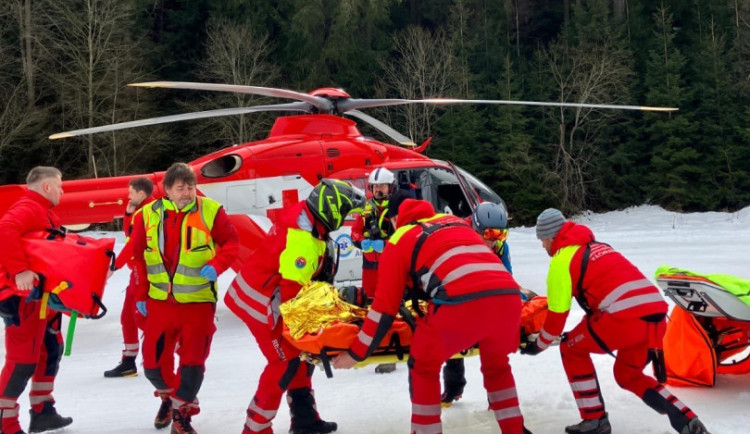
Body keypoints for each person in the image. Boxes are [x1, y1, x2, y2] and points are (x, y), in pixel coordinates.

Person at [333, 191, 529, 434]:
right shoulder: (457, 223)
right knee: (497, 366)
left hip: (461, 304)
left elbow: (383, 309)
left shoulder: (400, 238)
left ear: (395, 219)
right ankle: (514, 429)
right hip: (507, 299)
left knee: (423, 365)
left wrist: (356, 353)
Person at [522, 208, 710, 434]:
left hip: (624, 318)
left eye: (542, 240)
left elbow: (557, 313)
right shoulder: (600, 247)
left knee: (570, 348)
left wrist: (539, 345)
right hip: (657, 315)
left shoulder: (562, 260)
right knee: (627, 374)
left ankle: (595, 420)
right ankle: (688, 422)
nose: (543, 247)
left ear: (552, 237)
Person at [225, 179, 365, 434]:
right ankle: (255, 428)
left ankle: (304, 419)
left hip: (269, 295)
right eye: (344, 213)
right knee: (284, 362)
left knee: (301, 355)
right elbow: (291, 292)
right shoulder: (303, 239)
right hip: (260, 303)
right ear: (331, 208)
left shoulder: (308, 219)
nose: (346, 218)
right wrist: (309, 328)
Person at [130, 163, 239, 434]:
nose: (187, 193)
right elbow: (139, 258)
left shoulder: (211, 210)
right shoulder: (146, 216)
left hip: (198, 302)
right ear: (167, 190)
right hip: (159, 303)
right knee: (153, 365)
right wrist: (141, 293)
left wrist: (218, 264)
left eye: (190, 187)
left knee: (192, 363)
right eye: (180, 188)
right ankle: (169, 396)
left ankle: (182, 414)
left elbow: (232, 244)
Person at [0, 166, 73, 434]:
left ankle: (42, 410)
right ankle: (5, 421)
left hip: (41, 299)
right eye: (60, 185)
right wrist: (19, 270)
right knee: (23, 361)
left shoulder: (43, 211)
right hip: (20, 297)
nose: (62, 191)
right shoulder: (28, 208)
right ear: (46, 187)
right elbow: (4, 229)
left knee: (50, 349)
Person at [441, 201, 513, 406]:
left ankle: (496, 393)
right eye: (489, 234)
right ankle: (454, 388)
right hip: (458, 293)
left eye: (501, 234)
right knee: (453, 338)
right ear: (475, 227)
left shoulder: (499, 247)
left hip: (488, 295)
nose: (494, 240)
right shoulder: (458, 241)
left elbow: (507, 276)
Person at [104, 176, 154, 378]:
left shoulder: (147, 213)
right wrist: (127, 213)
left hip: (144, 272)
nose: (127, 196)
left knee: (141, 319)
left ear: (141, 194)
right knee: (128, 318)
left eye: (131, 193)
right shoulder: (139, 211)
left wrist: (114, 266)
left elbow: (132, 244)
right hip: (136, 272)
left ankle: (171, 352)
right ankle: (129, 360)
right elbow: (129, 233)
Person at [350, 167, 397, 374]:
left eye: (383, 186)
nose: (379, 190)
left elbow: (403, 232)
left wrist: (386, 244)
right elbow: (354, 232)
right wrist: (363, 243)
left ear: (390, 187)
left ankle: (392, 349)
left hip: (390, 264)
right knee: (370, 304)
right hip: (369, 264)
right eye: (376, 186)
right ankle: (370, 347)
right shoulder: (366, 208)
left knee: (391, 306)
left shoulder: (396, 208)